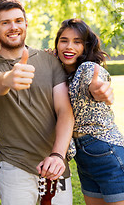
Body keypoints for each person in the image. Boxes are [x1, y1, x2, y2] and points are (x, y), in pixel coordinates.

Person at [0, 0, 75, 205]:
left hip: (54, 164)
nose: (13, 27)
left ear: (26, 24)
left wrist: (57, 155)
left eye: (18, 20)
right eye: (5, 22)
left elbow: (64, 110)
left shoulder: (50, 60)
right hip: (15, 166)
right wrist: (7, 78)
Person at [54, 18, 124, 205]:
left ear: (86, 47)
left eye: (77, 42)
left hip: (107, 151)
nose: (69, 46)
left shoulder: (88, 69)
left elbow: (98, 81)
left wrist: (101, 90)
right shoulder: (61, 71)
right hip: (84, 160)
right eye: (64, 40)